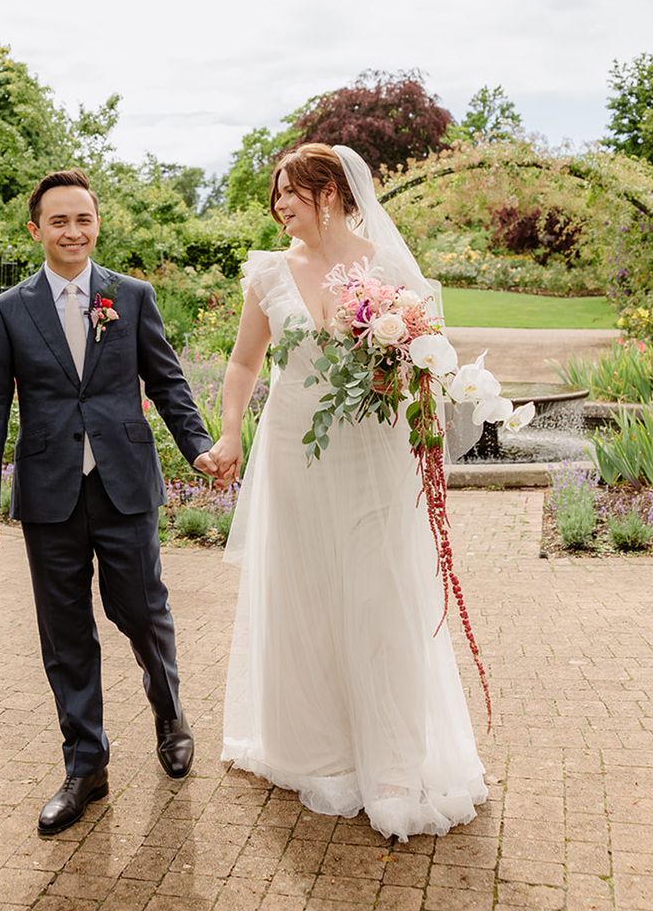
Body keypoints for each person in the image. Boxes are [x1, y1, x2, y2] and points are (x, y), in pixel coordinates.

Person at [209, 143, 488, 841]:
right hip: (294, 449)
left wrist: (405, 373)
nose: (279, 205)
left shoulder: (387, 268)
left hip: (373, 453)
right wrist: (231, 433)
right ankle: (316, 752)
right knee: (304, 589)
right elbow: (243, 363)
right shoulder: (268, 273)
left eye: (290, 192)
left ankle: (392, 764)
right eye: (276, 195)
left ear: (329, 193)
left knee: (378, 592)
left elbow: (430, 356)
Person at [0, 169, 218, 836]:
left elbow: (168, 383)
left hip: (124, 484)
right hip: (49, 492)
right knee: (65, 632)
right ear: (36, 230)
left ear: (96, 224)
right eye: (59, 221)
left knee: (142, 612)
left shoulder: (131, 297)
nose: (73, 231)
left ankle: (169, 714)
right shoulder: (8, 311)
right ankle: (86, 765)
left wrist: (197, 448)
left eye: (83, 219)